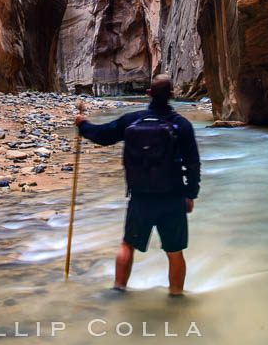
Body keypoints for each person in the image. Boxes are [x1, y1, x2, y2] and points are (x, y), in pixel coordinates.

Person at [75, 74, 201, 295]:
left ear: (149, 94)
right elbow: (193, 164)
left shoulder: (131, 120)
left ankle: (118, 290)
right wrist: (190, 194)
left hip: (140, 198)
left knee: (127, 245)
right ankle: (176, 297)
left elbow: (103, 136)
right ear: (172, 95)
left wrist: (83, 125)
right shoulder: (182, 125)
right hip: (172, 198)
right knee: (175, 252)